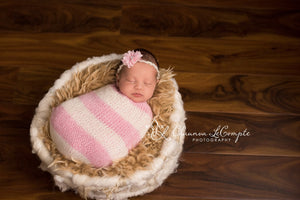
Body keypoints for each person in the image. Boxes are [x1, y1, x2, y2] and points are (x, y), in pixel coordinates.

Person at [49, 49, 160, 168]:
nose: (138, 87)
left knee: (105, 152)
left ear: (156, 83)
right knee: (62, 114)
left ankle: (93, 154)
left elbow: (133, 137)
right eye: (130, 81)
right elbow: (90, 102)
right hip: (64, 126)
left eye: (147, 83)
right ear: (118, 79)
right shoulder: (110, 90)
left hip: (97, 151)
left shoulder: (145, 114)